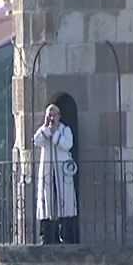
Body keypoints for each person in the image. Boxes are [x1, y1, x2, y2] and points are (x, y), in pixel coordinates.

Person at [33, 104, 77, 244]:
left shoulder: (65, 130)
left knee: (65, 202)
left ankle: (66, 236)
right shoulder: (44, 130)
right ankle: (47, 236)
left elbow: (67, 144)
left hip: (62, 173)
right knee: (47, 201)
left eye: (54, 115)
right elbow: (36, 141)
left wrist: (55, 133)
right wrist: (47, 129)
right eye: (49, 115)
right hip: (48, 172)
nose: (52, 118)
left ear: (59, 116)